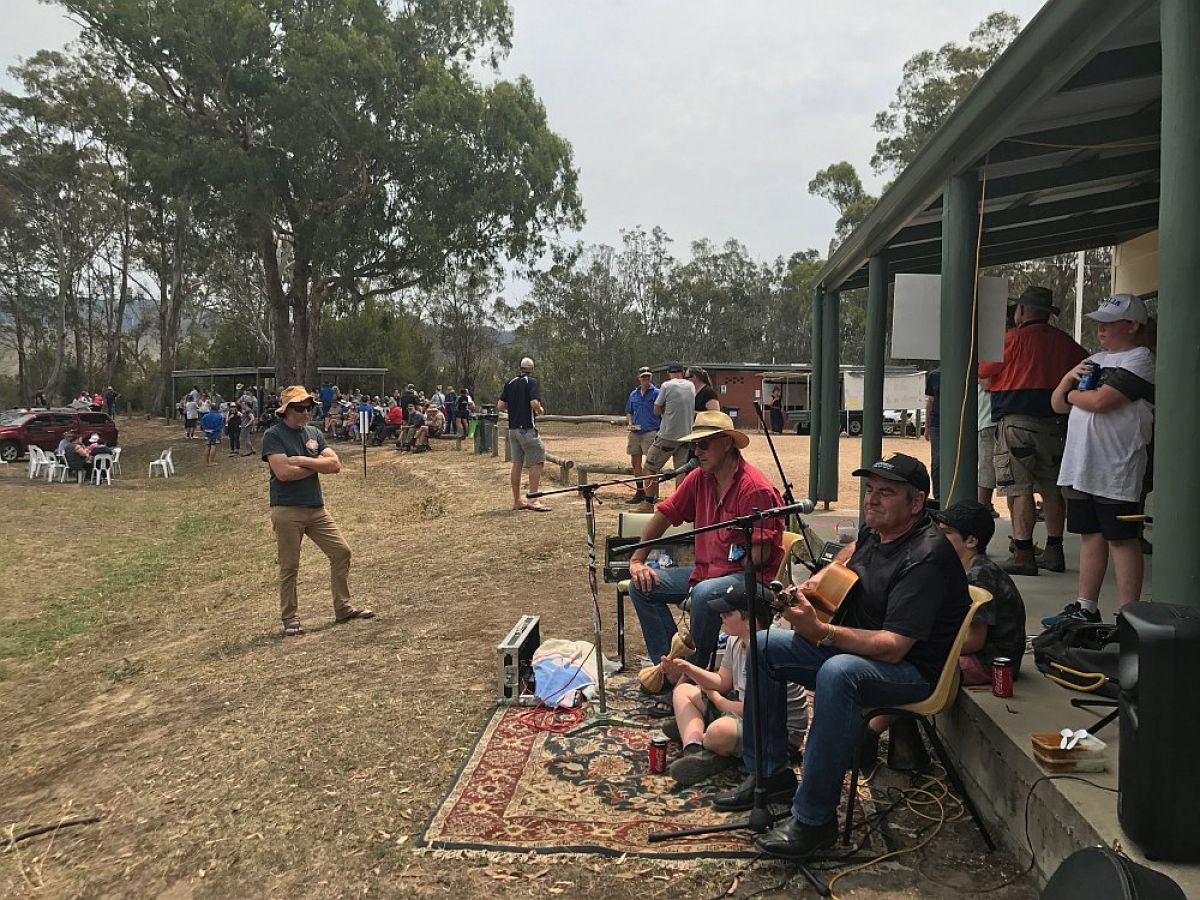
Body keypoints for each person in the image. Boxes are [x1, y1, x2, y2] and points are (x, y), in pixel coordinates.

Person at [733, 454, 968, 861]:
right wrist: (818, 583)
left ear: (916, 504)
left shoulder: (926, 557)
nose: (872, 500)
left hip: (911, 671)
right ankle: (770, 773)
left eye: (886, 493)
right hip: (859, 648)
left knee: (840, 674)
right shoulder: (877, 530)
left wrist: (822, 632)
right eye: (870, 490)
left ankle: (813, 821)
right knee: (767, 645)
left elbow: (895, 646)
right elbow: (852, 550)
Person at [626, 411, 784, 674]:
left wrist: (731, 549)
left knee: (704, 593)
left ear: (726, 443)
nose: (696, 451)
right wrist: (637, 560)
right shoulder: (700, 478)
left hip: (750, 580)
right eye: (693, 445)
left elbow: (759, 555)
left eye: (704, 444)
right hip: (706, 573)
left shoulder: (754, 489)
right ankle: (668, 667)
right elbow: (664, 514)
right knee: (640, 586)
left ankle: (692, 674)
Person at [1047, 293, 1155, 625]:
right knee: (1089, 534)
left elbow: (1102, 402)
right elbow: (1057, 404)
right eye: (1099, 325)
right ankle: (1085, 607)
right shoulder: (1095, 359)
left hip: (1117, 466)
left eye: (1109, 324)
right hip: (1082, 464)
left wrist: (1073, 393)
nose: (1101, 332)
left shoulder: (1141, 360)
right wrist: (1067, 382)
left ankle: (1128, 614)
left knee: (1122, 539)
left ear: (1133, 325)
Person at [978, 286, 1087, 576]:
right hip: (1055, 424)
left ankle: (1024, 552)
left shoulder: (1011, 340)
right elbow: (1088, 369)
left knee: (1019, 487)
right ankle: (1054, 549)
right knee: (1052, 489)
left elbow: (984, 373)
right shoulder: (1065, 343)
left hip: (1016, 423)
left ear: (1022, 311)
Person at [659, 582, 809, 787]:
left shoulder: (767, 648)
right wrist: (686, 668)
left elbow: (749, 709)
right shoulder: (735, 640)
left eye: (728, 613)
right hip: (743, 712)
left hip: (775, 732)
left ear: (750, 622)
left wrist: (716, 699)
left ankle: (703, 738)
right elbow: (723, 681)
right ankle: (694, 749)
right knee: (683, 691)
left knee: (719, 731)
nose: (721, 617)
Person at [261, 386, 374, 637]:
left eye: (308, 407)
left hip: (316, 508)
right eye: (300, 408)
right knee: (290, 565)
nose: (306, 412)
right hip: (287, 509)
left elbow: (335, 464)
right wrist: (318, 465)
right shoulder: (273, 435)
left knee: (341, 552)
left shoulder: (314, 433)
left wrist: (302, 461)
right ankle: (290, 618)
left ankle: (343, 608)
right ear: (287, 411)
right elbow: (283, 473)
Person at [639, 363, 696, 511]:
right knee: (681, 470)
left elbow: (656, 410)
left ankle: (649, 502)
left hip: (668, 435)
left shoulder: (666, 386)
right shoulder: (691, 386)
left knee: (650, 468)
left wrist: (666, 409)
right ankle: (679, 505)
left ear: (669, 374)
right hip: (687, 436)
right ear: (682, 373)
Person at [497, 358, 550, 512]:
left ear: (520, 368)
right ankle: (533, 498)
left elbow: (500, 405)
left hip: (512, 429)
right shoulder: (531, 382)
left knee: (517, 463)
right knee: (538, 460)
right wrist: (540, 410)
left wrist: (514, 405)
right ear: (532, 369)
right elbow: (534, 403)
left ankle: (517, 500)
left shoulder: (510, 382)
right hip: (526, 428)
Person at [624, 366, 661, 506]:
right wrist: (630, 423)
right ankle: (640, 491)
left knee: (651, 463)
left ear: (651, 377)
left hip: (650, 432)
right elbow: (629, 411)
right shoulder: (633, 394)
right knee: (635, 462)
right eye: (643, 376)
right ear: (639, 378)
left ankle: (651, 494)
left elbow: (662, 411)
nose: (645, 379)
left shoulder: (657, 393)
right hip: (635, 433)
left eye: (648, 376)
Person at [923, 368, 941, 500]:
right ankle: (938, 496)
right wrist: (927, 426)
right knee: (937, 461)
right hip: (937, 423)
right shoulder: (934, 375)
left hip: (958, 423)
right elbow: (930, 401)